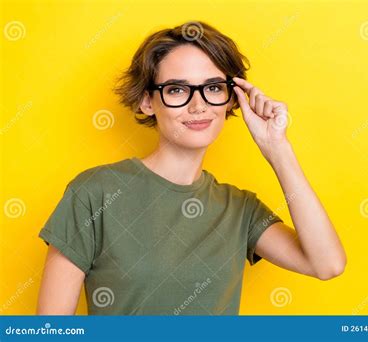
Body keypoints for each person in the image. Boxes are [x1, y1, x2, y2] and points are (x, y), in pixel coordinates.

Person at [37, 21, 346, 315]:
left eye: (212, 88)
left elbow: (327, 264)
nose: (198, 106)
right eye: (176, 90)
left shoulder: (240, 209)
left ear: (231, 99)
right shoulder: (94, 192)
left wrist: (277, 149)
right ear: (147, 101)